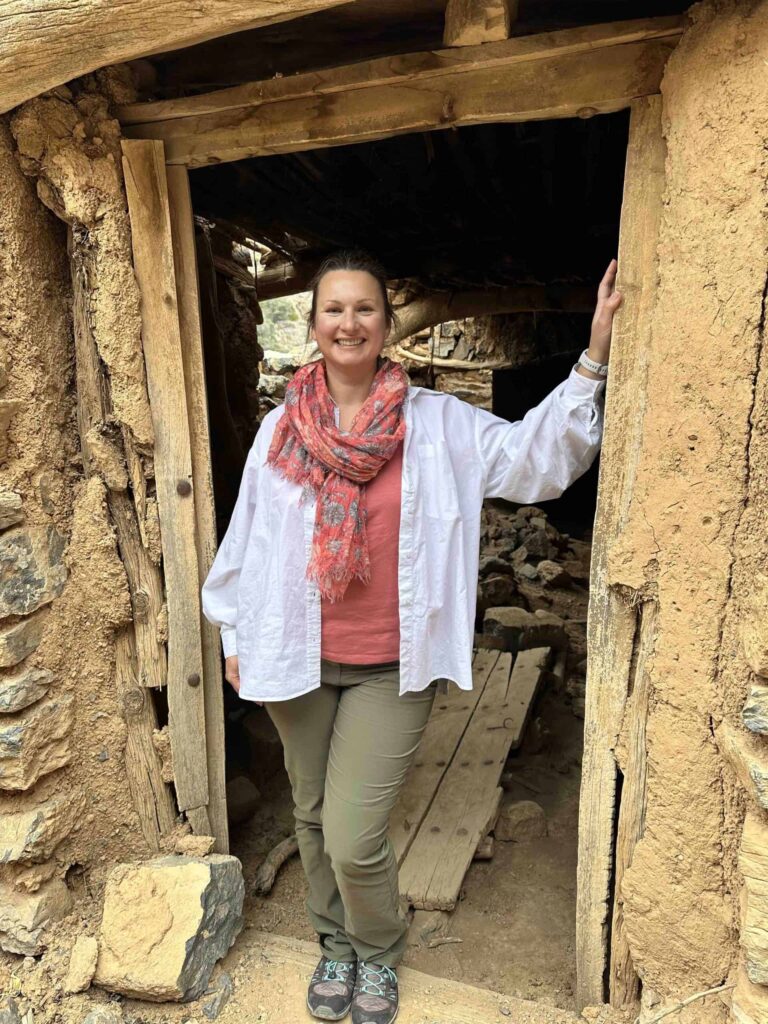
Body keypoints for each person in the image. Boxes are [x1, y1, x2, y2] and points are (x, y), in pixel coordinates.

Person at [201, 249, 621, 1024]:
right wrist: (231, 630)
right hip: (292, 654)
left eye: (365, 308)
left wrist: (593, 358)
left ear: (388, 325)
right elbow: (248, 536)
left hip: (389, 666)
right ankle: (333, 944)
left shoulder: (437, 425)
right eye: (333, 308)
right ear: (316, 323)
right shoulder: (279, 430)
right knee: (313, 813)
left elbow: (535, 462)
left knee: (356, 832)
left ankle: (377, 951)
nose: (348, 322)